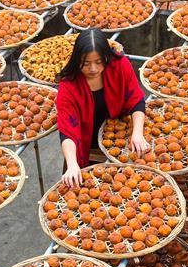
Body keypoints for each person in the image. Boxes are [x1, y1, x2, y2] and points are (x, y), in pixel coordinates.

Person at [56, 28, 150, 187]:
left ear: (107, 57)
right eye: (86, 63)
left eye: (99, 62)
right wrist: (72, 164)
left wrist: (138, 133)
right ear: (76, 59)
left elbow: (136, 99)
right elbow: (67, 130)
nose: (93, 69)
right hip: (86, 146)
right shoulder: (69, 86)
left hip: (120, 139)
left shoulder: (119, 65)